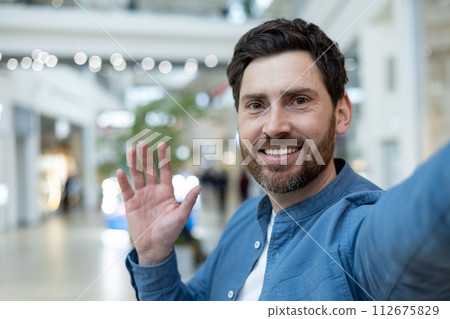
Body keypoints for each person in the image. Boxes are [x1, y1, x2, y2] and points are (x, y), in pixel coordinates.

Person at [116, 18, 450, 300]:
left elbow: (422, 215)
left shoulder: (359, 230)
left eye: (299, 100)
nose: (274, 126)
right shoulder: (246, 219)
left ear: (342, 113)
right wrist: (153, 255)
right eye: (256, 105)